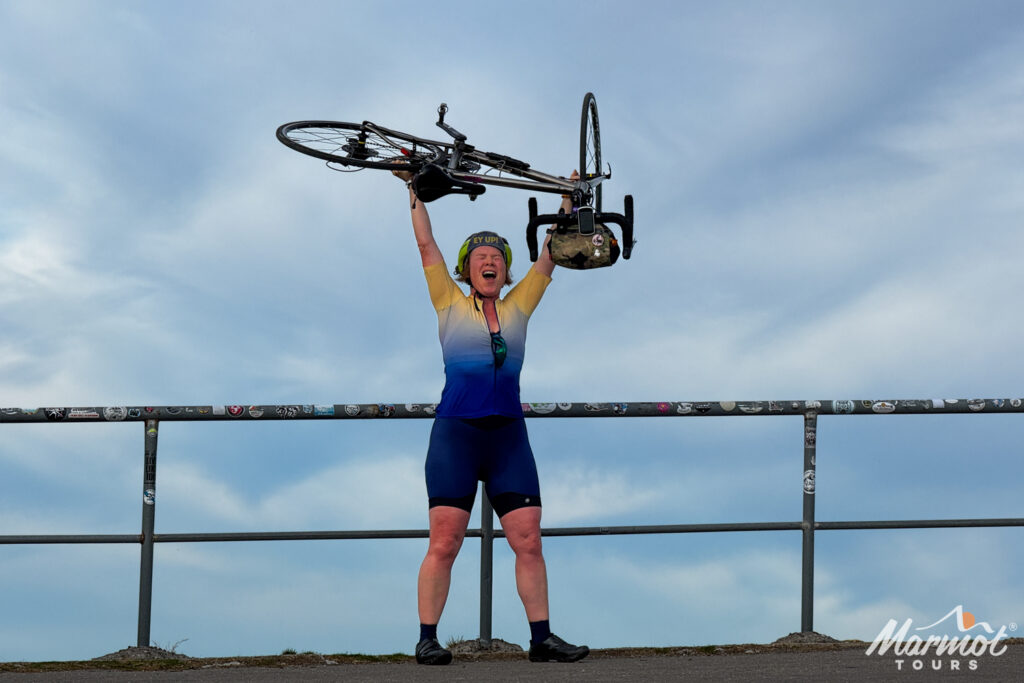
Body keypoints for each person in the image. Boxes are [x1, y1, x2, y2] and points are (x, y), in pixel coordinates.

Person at [393, 167, 590, 665]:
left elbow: (550, 253)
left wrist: (567, 200)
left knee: (529, 540)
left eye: (498, 258)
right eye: (481, 257)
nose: (490, 261)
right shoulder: (449, 303)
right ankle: (427, 639)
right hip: (457, 435)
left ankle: (542, 639)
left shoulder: (519, 307)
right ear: (467, 269)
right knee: (445, 542)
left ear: (505, 272)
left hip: (508, 439)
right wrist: (412, 188)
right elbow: (426, 245)